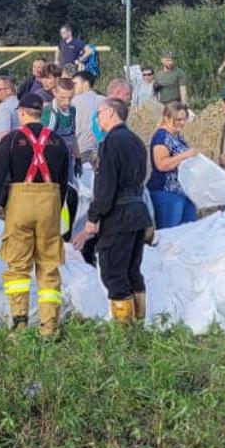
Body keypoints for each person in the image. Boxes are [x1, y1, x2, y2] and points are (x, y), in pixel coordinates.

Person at [0, 92, 77, 336]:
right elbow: (63, 183)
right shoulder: (58, 141)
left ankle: (19, 322)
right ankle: (49, 326)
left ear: (22, 113)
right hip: (50, 203)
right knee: (48, 266)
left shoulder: (11, 140)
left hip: (20, 204)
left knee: (18, 266)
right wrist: (55, 210)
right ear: (41, 113)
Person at [72, 98, 151, 326]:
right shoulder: (136, 141)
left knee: (114, 273)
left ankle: (123, 330)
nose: (96, 119)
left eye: (98, 114)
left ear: (110, 113)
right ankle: (138, 325)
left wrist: (93, 217)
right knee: (132, 272)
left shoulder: (110, 143)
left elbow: (105, 188)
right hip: (138, 212)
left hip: (118, 216)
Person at [148, 102, 199, 229]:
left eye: (184, 119)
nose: (182, 123)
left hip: (183, 192)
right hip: (167, 193)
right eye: (178, 120)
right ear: (167, 118)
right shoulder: (161, 137)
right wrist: (184, 155)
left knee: (189, 232)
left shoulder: (177, 135)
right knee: (170, 234)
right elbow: (161, 164)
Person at [70, 71, 104, 166]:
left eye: (75, 84)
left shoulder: (74, 102)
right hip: (101, 149)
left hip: (81, 150)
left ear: (85, 84)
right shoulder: (104, 100)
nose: (73, 87)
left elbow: (74, 129)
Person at [43, 78, 79, 151]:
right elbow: (43, 141)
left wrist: (78, 156)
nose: (67, 102)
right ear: (54, 92)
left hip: (69, 154)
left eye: (70, 98)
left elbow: (73, 136)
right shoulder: (50, 112)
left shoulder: (72, 110)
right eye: (63, 97)